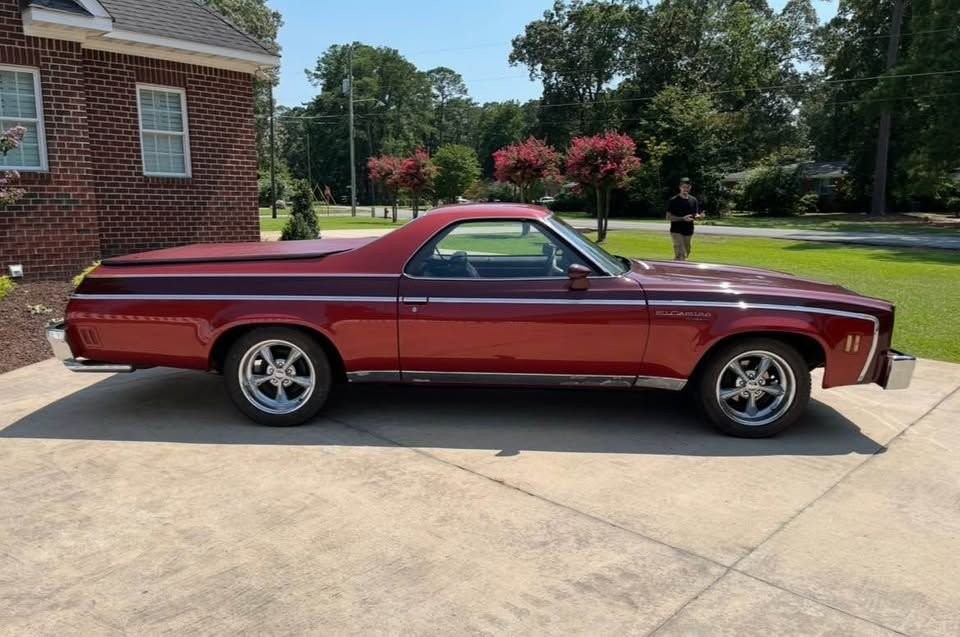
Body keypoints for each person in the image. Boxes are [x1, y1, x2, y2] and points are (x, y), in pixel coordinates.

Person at [666, 177, 705, 261]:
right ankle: (681, 271)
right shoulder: (673, 200)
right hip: (676, 231)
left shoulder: (693, 200)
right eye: (683, 187)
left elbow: (694, 215)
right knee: (681, 254)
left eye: (687, 187)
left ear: (690, 188)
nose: (685, 189)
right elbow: (668, 217)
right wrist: (682, 218)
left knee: (686, 253)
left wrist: (699, 217)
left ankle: (674, 268)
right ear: (680, 187)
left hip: (689, 231)